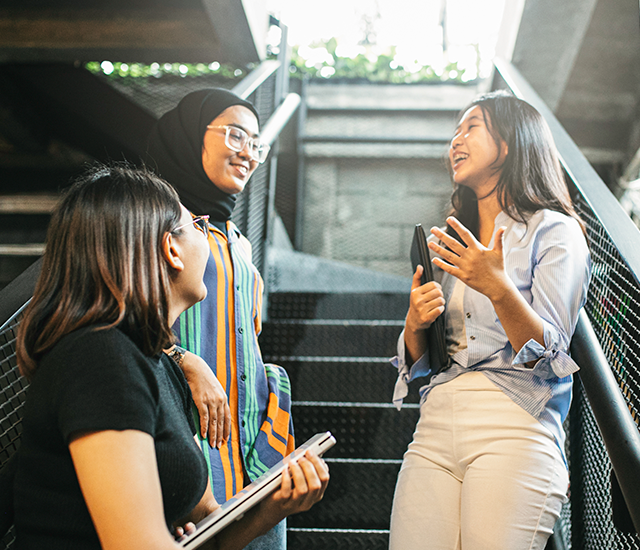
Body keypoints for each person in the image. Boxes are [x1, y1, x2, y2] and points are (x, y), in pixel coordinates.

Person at [12, 164, 329, 550]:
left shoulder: (156, 364)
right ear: (171, 249)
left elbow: (206, 529)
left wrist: (273, 507)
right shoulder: (98, 359)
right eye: (196, 224)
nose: (205, 235)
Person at [388, 91, 591, 550]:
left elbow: (551, 356)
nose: (455, 141)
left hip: (516, 425)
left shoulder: (553, 229)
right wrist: (415, 324)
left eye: (471, 127)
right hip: (435, 423)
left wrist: (497, 286)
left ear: (510, 140)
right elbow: (422, 363)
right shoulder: (453, 242)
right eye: (455, 131)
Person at [146, 89, 292, 549]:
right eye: (235, 135)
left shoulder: (239, 242)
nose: (247, 152)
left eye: (256, 143)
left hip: (255, 451)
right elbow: (119, 316)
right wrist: (182, 358)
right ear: (192, 136)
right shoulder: (154, 225)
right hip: (187, 451)